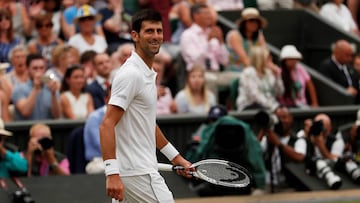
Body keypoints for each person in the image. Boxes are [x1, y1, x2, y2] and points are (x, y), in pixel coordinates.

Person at [99, 9, 192, 202]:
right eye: (149, 31)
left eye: (159, 31)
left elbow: (148, 124)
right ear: (135, 35)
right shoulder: (131, 74)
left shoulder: (146, 73)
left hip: (133, 172)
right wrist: (112, 173)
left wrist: (176, 158)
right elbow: (106, 124)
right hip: (137, 173)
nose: (155, 36)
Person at [256, 107, 308, 193]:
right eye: (278, 118)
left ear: (291, 119)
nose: (282, 121)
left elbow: (300, 157)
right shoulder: (267, 138)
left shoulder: (298, 140)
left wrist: (278, 143)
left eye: (284, 117)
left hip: (289, 185)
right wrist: (264, 128)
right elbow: (255, 153)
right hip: (268, 184)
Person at [11, 54, 61, 120]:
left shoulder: (51, 87)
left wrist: (53, 94)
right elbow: (25, 112)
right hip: (26, 129)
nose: (39, 71)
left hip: (49, 128)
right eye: (35, 68)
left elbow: (57, 115)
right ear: (27, 69)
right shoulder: (19, 89)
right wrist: (36, 88)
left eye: (41, 68)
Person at [236, 46, 284, 112]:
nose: (271, 60)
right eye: (268, 58)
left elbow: (279, 93)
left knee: (286, 110)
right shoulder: (248, 73)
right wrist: (274, 107)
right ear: (260, 59)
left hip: (268, 105)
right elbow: (255, 96)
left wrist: (277, 77)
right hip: (249, 105)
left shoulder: (268, 72)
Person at [318, 39, 360, 104]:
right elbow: (328, 89)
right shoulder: (326, 67)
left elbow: (356, 80)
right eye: (347, 55)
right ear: (337, 53)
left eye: (350, 55)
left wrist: (354, 89)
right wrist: (345, 92)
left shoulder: (349, 66)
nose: (350, 58)